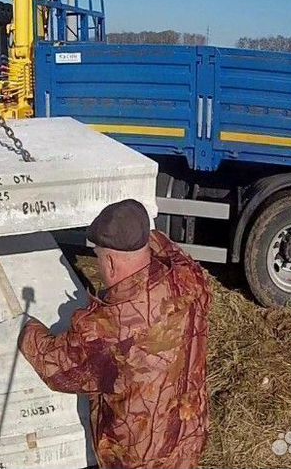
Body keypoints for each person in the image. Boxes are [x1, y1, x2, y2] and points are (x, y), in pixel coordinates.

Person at [19, 199, 212, 469]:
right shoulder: (189, 278)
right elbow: (165, 245)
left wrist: (26, 327)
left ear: (109, 262)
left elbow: (55, 367)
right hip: (187, 440)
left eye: (98, 257)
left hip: (139, 461)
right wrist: (138, 232)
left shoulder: (111, 326)